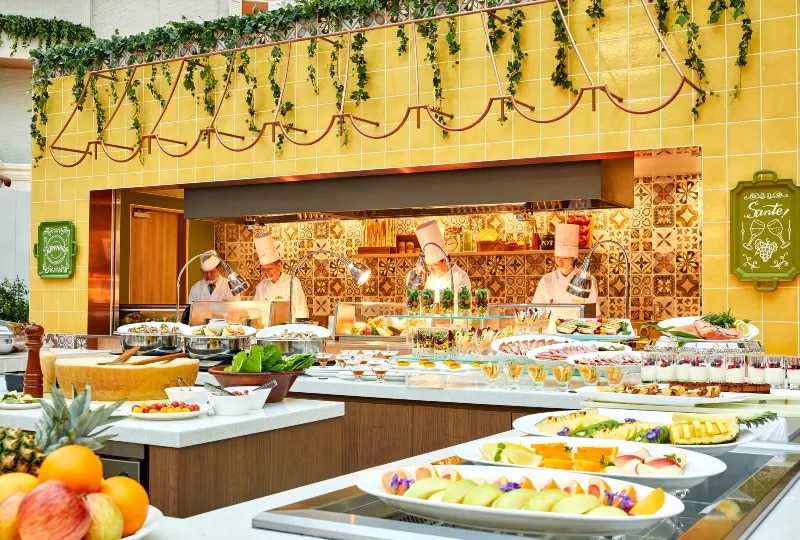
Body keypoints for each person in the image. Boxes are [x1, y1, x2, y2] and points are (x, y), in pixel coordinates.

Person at [532, 223, 598, 305]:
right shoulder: (546, 280)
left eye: (565, 258)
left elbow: (593, 310)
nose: (560, 262)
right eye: (557, 257)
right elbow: (536, 309)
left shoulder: (587, 280)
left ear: (574, 258)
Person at [252, 234, 309, 319]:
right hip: (267, 326)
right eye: (263, 269)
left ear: (279, 265)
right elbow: (255, 311)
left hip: (289, 326)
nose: (266, 272)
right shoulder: (260, 286)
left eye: (269, 268)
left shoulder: (293, 282)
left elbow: (301, 310)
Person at [415, 220, 472, 293]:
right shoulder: (431, 278)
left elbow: (462, 298)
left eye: (435, 265)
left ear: (445, 261)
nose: (431, 269)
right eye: (428, 265)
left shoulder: (460, 276)